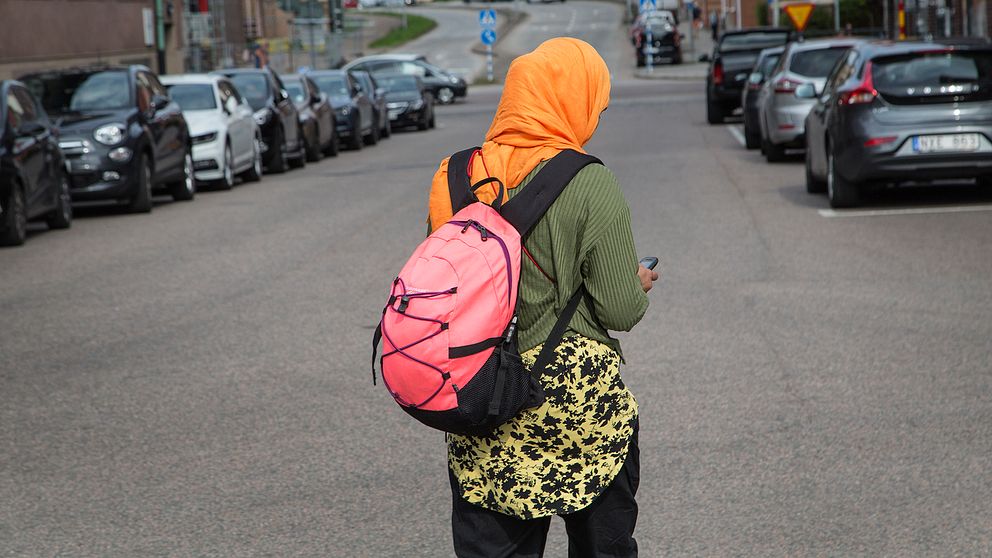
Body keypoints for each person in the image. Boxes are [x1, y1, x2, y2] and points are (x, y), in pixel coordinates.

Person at [426, 38, 659, 558]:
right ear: (572, 101)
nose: (595, 117)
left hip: (483, 400)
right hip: (580, 410)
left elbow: (444, 289)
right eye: (595, 104)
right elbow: (622, 310)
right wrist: (635, 282)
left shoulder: (454, 175)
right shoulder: (589, 182)